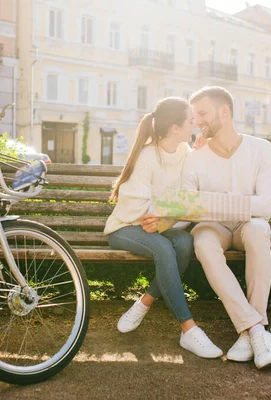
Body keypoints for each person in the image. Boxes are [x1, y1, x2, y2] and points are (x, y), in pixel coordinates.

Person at [104, 97, 223, 359]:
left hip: (157, 227)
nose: (195, 124)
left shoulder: (186, 154)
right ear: (175, 128)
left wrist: (163, 216)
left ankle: (144, 302)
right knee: (164, 248)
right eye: (190, 120)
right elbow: (137, 207)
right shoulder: (148, 156)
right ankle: (188, 329)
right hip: (126, 227)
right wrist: (157, 215)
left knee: (184, 244)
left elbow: (188, 202)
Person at [183, 86, 271, 369]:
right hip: (214, 228)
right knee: (202, 240)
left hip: (249, 225)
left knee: (259, 230)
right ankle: (257, 329)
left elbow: (266, 207)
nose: (196, 121)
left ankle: (249, 331)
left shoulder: (261, 148)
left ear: (224, 111)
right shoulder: (194, 157)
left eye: (202, 113)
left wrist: (213, 202)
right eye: (193, 115)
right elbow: (189, 207)